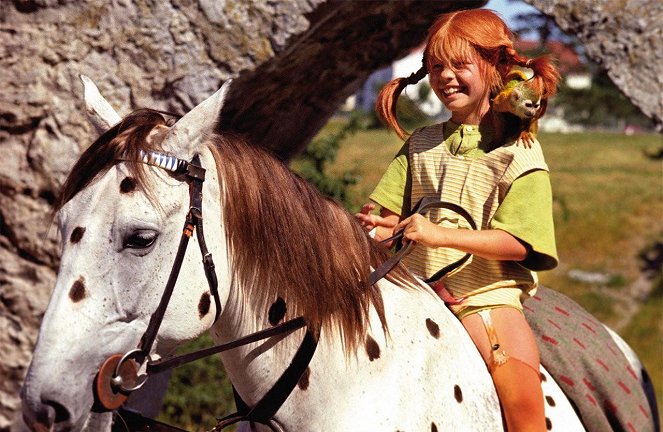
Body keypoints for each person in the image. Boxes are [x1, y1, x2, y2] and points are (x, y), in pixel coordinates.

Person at [356, 9, 559, 432]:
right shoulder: (420, 143)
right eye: (436, 67)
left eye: (459, 65)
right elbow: (388, 220)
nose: (446, 76)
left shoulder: (519, 154)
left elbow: (520, 242)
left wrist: (438, 234)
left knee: (521, 400)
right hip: (411, 290)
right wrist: (373, 230)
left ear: (496, 67)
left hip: (483, 297)